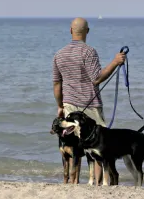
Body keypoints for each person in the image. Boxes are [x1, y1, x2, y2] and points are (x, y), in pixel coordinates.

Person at [52, 17, 126, 185]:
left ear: (70, 30)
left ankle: (73, 182)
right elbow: (97, 78)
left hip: (69, 106)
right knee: (100, 145)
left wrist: (59, 106)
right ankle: (98, 183)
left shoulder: (59, 54)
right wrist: (115, 62)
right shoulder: (88, 51)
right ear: (88, 31)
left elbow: (57, 84)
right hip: (90, 105)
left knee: (73, 145)